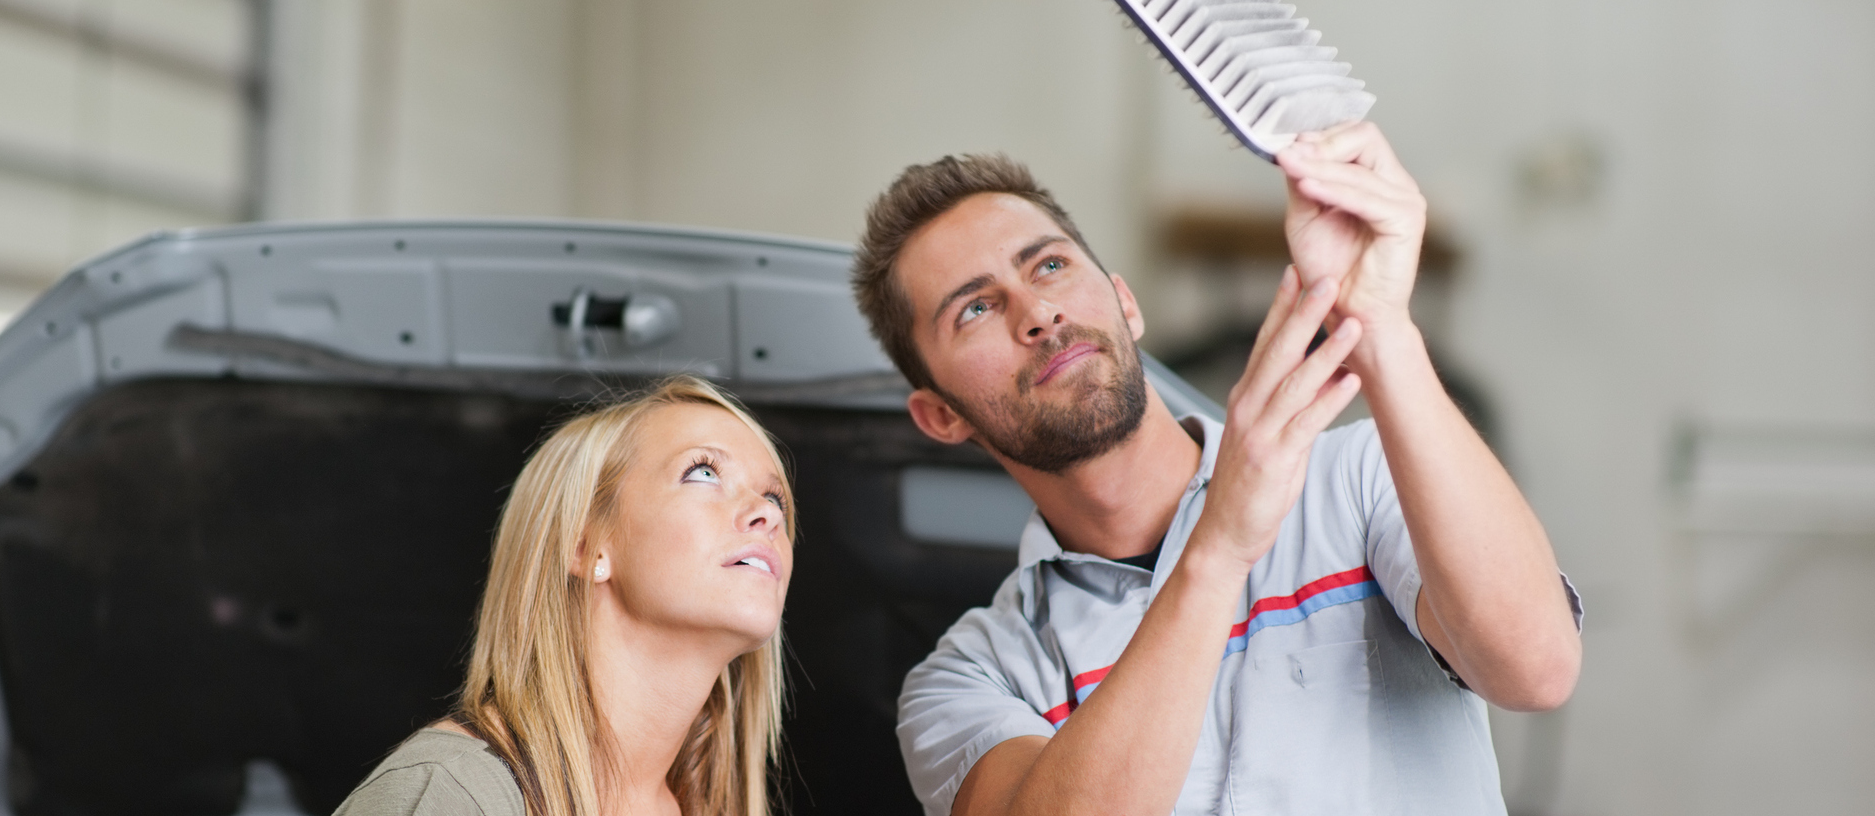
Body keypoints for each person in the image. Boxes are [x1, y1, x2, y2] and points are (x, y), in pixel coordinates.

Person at [851, 122, 1584, 815]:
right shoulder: (971, 678)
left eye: (1049, 264)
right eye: (975, 309)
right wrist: (1220, 544)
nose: (1037, 312)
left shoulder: (1359, 477)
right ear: (940, 416)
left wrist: (1384, 326)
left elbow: (1537, 667)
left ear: (1124, 301)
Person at [333, 376, 793, 816]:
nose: (766, 515)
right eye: (704, 472)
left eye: (776, 499)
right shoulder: (452, 794)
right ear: (583, 545)